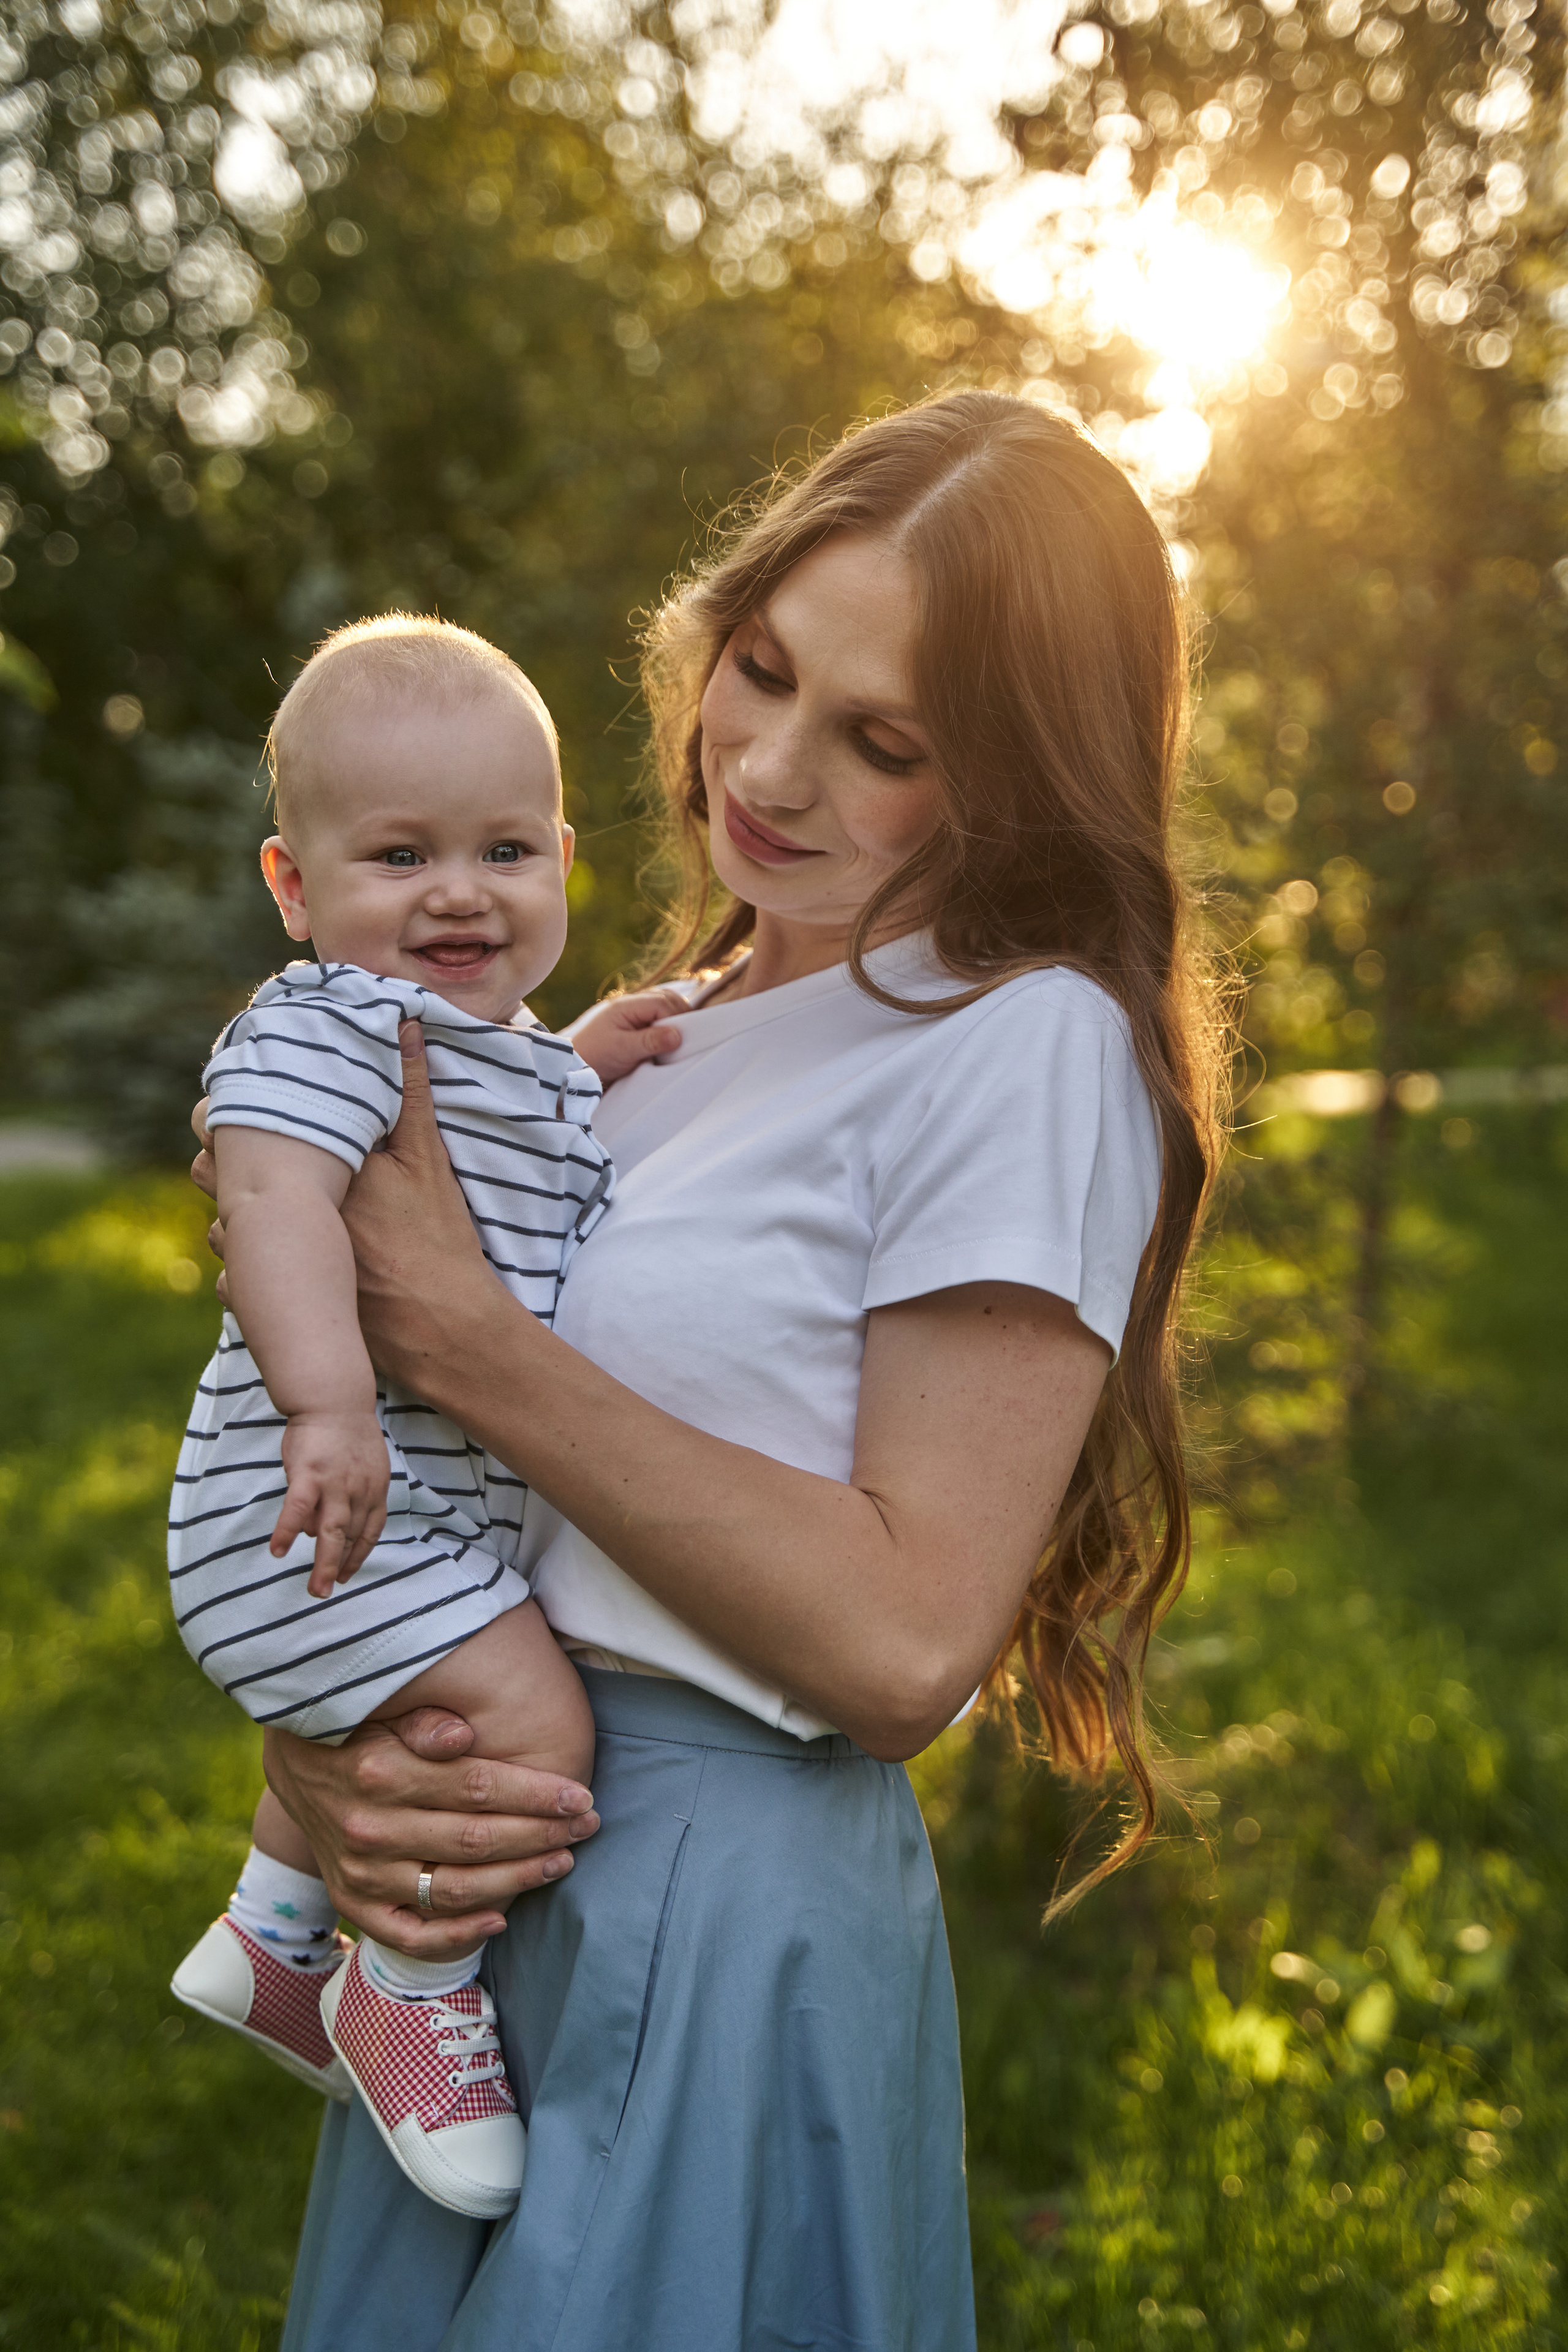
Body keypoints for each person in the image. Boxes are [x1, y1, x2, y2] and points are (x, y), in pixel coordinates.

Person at [192, 390, 1224, 2351]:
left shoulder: (1024, 1045)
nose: (768, 764)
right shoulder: (695, 1004)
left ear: (1016, 777)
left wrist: (468, 1340)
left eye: (883, 742)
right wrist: (335, 1755)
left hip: (709, 1901)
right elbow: (460, 1459)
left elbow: (913, 1641)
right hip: (488, 1879)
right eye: (761, 670)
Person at [167, 614, 682, 2220]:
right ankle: (405, 1980)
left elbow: (500, 1127)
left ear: (564, 860)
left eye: (504, 849)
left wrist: (579, 1061)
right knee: (531, 1725)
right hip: (315, 1498)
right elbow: (267, 1199)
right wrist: (327, 1407)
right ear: (296, 890)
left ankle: (270, 1933)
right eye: (401, 854)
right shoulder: (322, 1028)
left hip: (395, 1507)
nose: (461, 890)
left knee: (427, 1692)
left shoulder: (489, 1047)